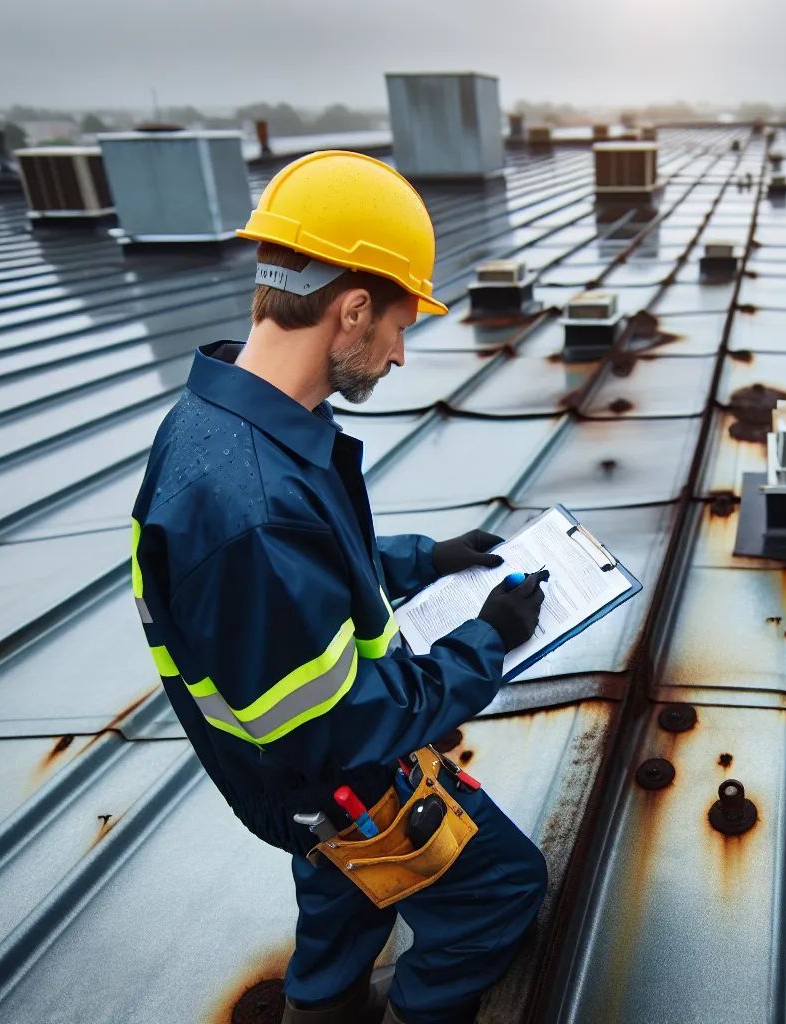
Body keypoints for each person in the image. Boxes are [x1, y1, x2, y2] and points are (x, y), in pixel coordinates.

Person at [127, 150, 549, 1024]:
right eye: (400, 326)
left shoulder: (225, 421)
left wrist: (423, 558)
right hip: (335, 777)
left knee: (340, 902)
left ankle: (318, 1008)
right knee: (504, 887)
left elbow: (310, 577)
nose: (398, 356)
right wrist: (488, 642)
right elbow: (342, 720)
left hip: (300, 792)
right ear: (352, 307)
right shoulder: (249, 504)